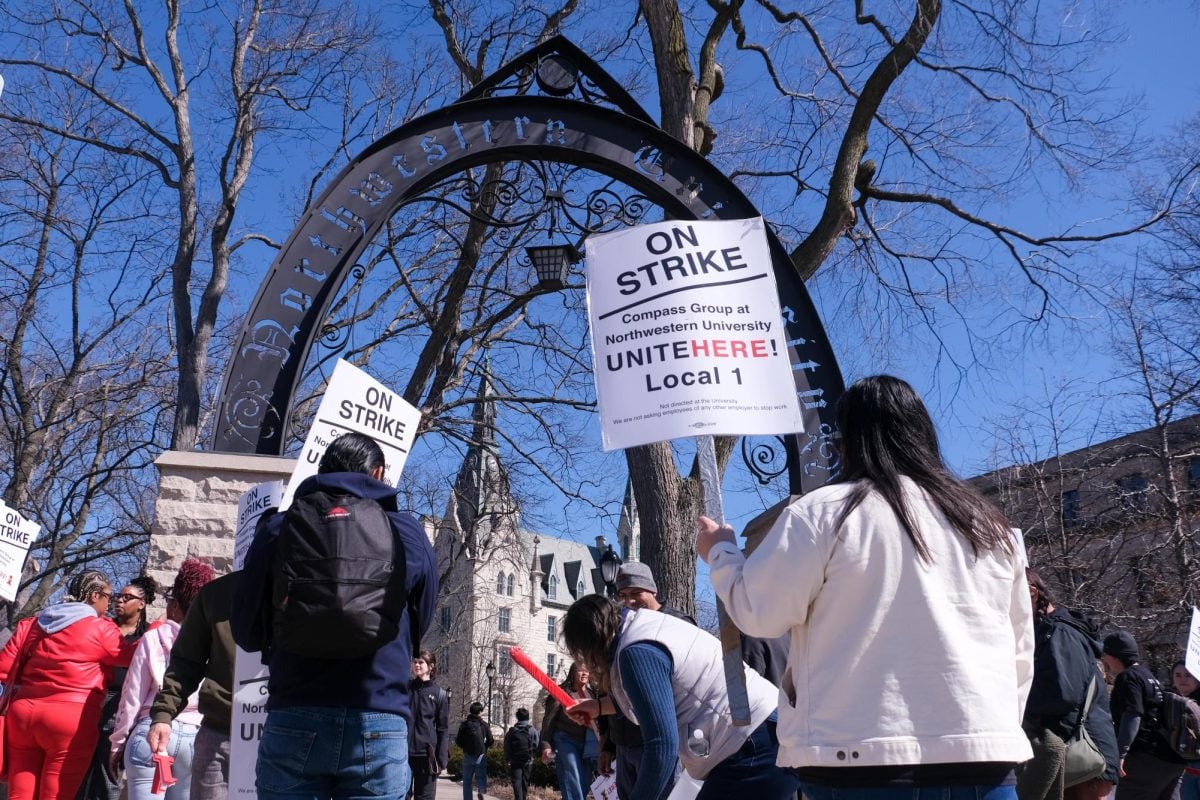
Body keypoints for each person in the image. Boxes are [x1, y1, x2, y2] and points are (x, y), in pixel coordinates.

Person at [698, 374, 1034, 796]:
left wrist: (721, 554)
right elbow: (1019, 649)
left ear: (848, 439)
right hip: (984, 755)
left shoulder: (822, 513)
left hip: (857, 757)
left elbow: (759, 613)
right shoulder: (990, 526)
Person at [232, 432, 439, 800]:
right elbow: (422, 620)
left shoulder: (279, 528)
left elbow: (246, 631)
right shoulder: (408, 532)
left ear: (323, 470)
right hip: (380, 714)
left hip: (295, 708)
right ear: (378, 473)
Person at [562, 595, 799, 800]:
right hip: (762, 736)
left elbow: (662, 745)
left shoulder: (635, 653)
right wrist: (599, 707)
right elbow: (661, 695)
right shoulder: (646, 629)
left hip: (754, 746)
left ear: (588, 645)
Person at [0, 570, 137, 800]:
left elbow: (4, 667)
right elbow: (130, 656)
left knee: (20, 794)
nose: (109, 604)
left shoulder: (32, 624)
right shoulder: (100, 628)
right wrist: (156, 630)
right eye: (108, 597)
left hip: (23, 715)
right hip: (70, 720)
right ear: (94, 596)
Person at [110, 559, 217, 800]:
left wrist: (117, 743)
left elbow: (132, 696)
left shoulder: (154, 637)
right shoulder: (213, 641)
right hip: (194, 735)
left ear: (176, 605)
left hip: (151, 730)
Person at [1019, 569, 1118, 800]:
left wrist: (1016, 698)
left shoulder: (1060, 631)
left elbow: (1062, 694)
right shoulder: (1050, 631)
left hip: (1085, 758)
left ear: (1032, 592)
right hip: (1075, 755)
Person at [602, 562, 695, 800]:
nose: (629, 601)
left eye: (636, 593)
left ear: (652, 591)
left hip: (660, 744)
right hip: (624, 744)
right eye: (623, 595)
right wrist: (609, 745)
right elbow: (617, 690)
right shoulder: (621, 629)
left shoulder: (678, 623)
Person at [147, 571, 241, 800]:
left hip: (289, 732)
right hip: (220, 732)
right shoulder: (216, 595)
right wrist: (163, 714)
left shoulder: (309, 589)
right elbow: (186, 663)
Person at [79, 574, 159, 800]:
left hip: (121, 708)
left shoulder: (147, 636)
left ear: (141, 604)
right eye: (118, 596)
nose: (119, 601)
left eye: (127, 597)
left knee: (109, 775)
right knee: (79, 771)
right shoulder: (103, 627)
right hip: (90, 703)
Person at [1101, 630, 1185, 800]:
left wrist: (1121, 754)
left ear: (1115, 656)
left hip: (1146, 759)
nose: (1104, 659)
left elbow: (1133, 715)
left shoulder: (1128, 677)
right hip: (1172, 757)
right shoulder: (1148, 675)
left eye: (1106, 654)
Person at [539, 662, 598, 800]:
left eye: (587, 670)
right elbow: (548, 720)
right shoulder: (561, 693)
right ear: (573, 673)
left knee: (584, 783)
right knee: (572, 777)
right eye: (580, 670)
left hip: (588, 746)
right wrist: (546, 746)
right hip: (565, 740)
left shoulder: (593, 695)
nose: (584, 673)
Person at [408, 649, 450, 800]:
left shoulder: (440, 694)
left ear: (431, 666)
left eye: (421, 662)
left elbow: (443, 728)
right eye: (415, 661)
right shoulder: (406, 688)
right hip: (403, 754)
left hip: (426, 756)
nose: (417, 665)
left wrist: (441, 758)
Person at [1172, 661, 1200, 800]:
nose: (1182, 679)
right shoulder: (1172, 701)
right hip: (1185, 768)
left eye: (1187, 675)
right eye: (1178, 675)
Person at [455, 702, 493, 800]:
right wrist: (485, 747)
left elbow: (458, 740)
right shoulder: (484, 724)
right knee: (481, 777)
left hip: (468, 754)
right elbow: (490, 740)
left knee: (467, 780)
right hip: (480, 754)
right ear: (480, 711)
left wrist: (465, 747)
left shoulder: (464, 724)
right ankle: (481, 790)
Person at [503, 708, 539, 800]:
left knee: (517, 783)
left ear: (517, 718)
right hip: (528, 761)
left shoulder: (512, 731)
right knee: (524, 782)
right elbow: (537, 745)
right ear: (528, 718)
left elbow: (506, 746)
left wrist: (508, 759)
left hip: (515, 761)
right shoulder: (532, 730)